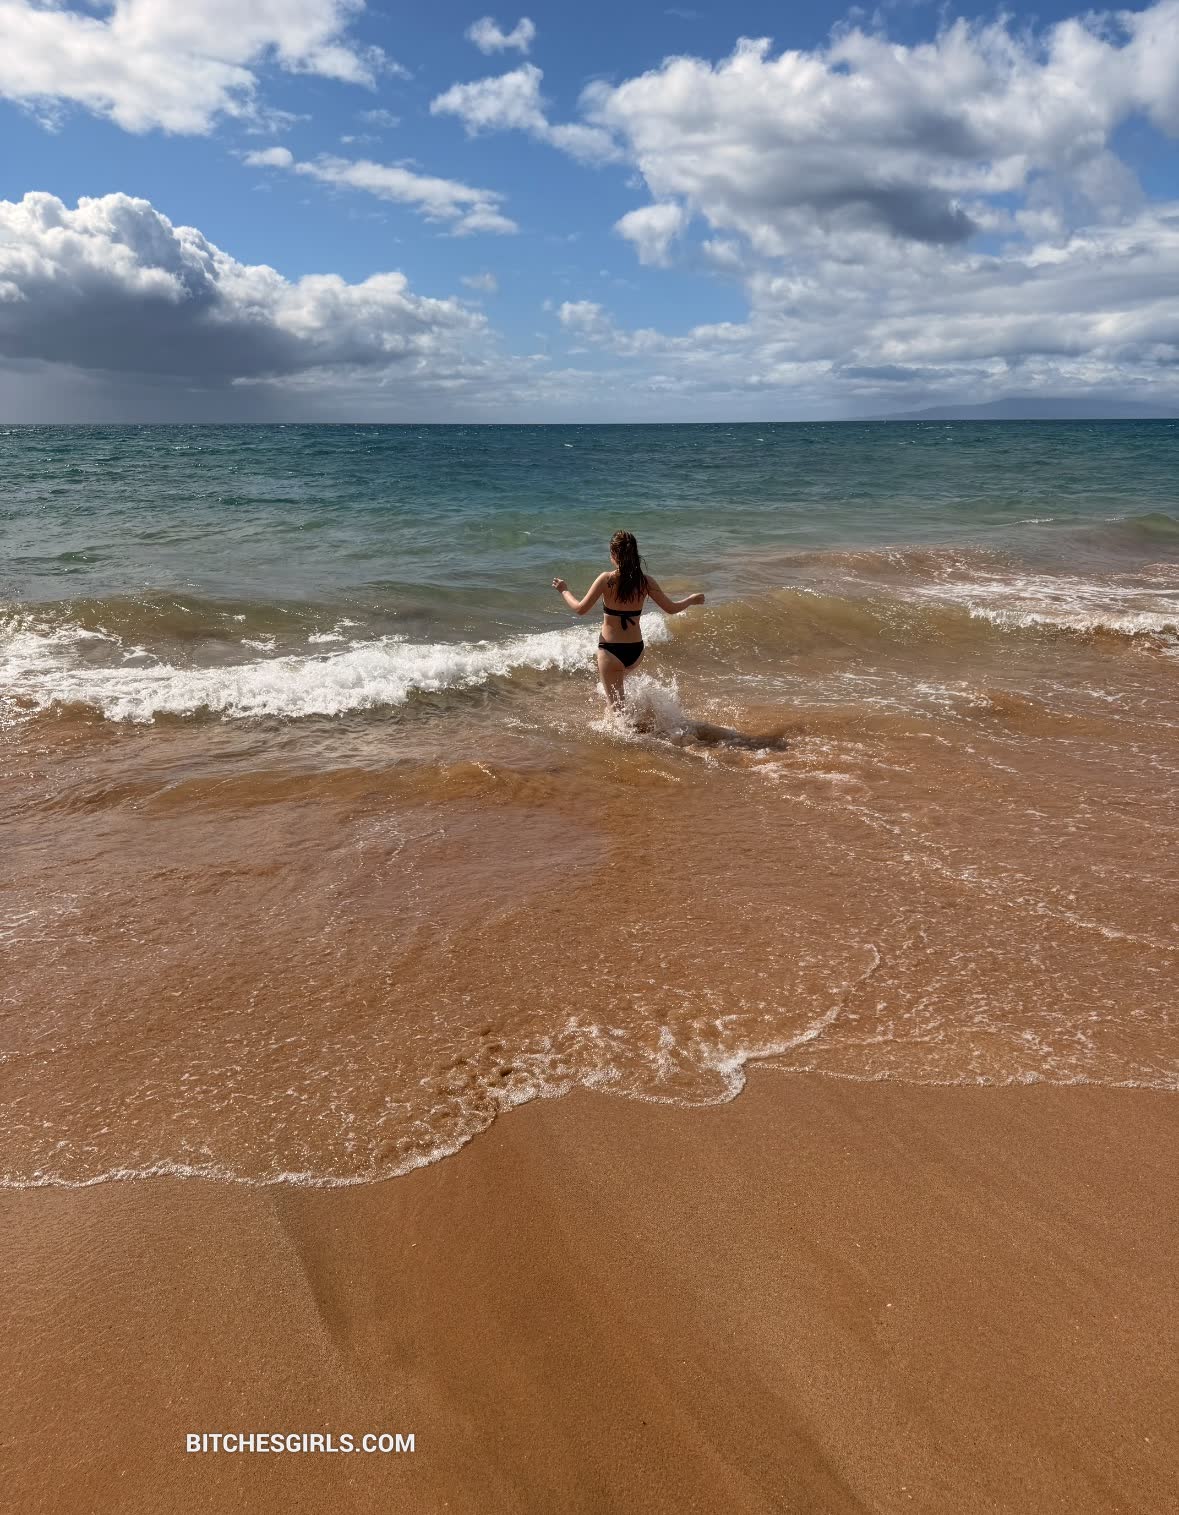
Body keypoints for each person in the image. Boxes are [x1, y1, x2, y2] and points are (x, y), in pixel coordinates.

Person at [552, 530, 705, 707]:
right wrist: (690, 600)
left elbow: (580, 609)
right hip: (636, 651)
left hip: (611, 651)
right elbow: (671, 609)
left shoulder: (606, 579)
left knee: (616, 710)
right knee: (619, 697)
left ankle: (632, 722)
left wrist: (564, 590)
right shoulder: (645, 582)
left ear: (614, 554)